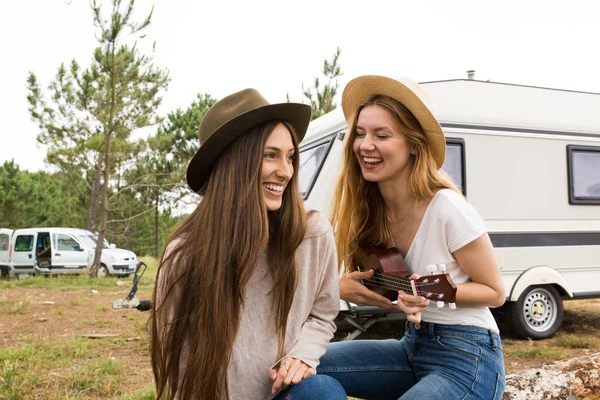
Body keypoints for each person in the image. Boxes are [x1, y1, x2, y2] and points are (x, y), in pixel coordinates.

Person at [317, 75, 506, 399]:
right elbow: (386, 283)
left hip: (470, 355)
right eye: (360, 134)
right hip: (414, 345)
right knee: (308, 364)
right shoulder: (371, 210)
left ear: (414, 145)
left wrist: (431, 294)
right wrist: (346, 287)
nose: (365, 145)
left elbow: (495, 292)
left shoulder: (447, 209)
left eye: (382, 135)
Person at [150, 89, 346, 400]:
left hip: (283, 394)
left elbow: (323, 313)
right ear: (235, 162)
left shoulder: (311, 233)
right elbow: (181, 368)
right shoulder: (185, 255)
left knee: (321, 391)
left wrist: (303, 353)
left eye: (290, 156)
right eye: (270, 155)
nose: (286, 171)